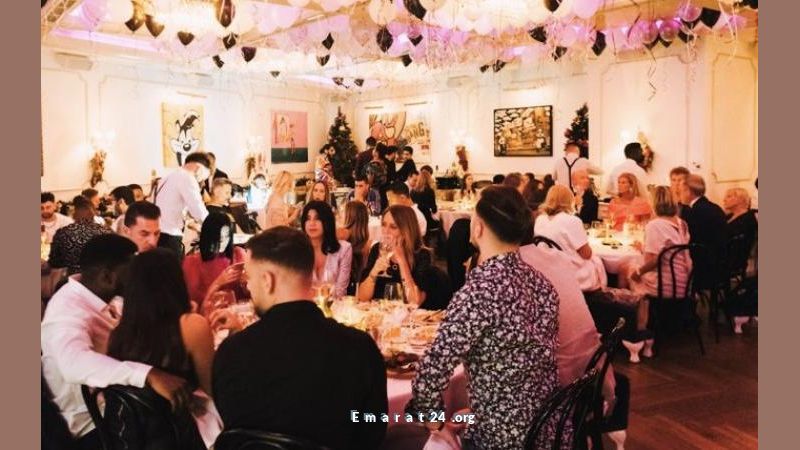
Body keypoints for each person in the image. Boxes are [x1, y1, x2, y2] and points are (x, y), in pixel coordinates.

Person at [406, 186, 561, 449]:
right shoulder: (541, 284)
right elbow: (525, 366)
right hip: (546, 428)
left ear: (477, 228)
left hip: (500, 439)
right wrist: (481, 408)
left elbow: (428, 378)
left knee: (413, 438)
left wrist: (436, 424)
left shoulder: (479, 292)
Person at [212, 227, 387, 449]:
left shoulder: (230, 353)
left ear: (267, 280)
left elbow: (230, 427)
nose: (248, 285)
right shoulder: (360, 350)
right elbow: (374, 431)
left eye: (249, 277)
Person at [42, 235, 193, 449]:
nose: (137, 277)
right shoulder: (67, 311)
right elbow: (73, 363)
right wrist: (149, 374)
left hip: (119, 405)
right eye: (131, 271)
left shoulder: (101, 296)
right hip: (92, 426)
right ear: (108, 277)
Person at [107, 249, 224, 448]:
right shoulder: (191, 325)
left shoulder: (119, 332)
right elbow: (213, 388)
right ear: (176, 281)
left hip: (131, 435)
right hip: (177, 435)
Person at [611, 186, 692, 362]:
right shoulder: (681, 223)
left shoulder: (655, 225)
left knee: (625, 270)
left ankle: (634, 328)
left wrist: (637, 273)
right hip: (683, 281)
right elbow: (666, 252)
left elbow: (652, 261)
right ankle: (639, 324)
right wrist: (644, 248)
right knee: (629, 266)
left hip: (664, 284)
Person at [358, 205, 437, 307]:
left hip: (407, 315)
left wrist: (401, 260)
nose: (386, 231)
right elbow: (361, 298)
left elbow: (415, 301)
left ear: (406, 230)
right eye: (384, 225)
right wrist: (374, 272)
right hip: (380, 313)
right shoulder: (377, 250)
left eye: (393, 227)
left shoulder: (421, 255)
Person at [535, 185, 607, 292]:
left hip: (548, 270)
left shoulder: (540, 219)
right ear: (569, 200)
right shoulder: (572, 221)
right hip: (571, 274)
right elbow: (586, 254)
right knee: (598, 261)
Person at [183, 212, 247, 312]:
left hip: (238, 312)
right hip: (209, 314)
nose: (223, 242)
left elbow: (249, 296)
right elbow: (196, 309)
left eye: (227, 237)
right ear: (208, 237)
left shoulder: (238, 254)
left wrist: (246, 283)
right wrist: (218, 282)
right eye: (219, 238)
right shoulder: (192, 263)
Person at [153, 152, 211, 259]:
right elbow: (197, 209)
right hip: (169, 235)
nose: (201, 181)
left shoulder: (169, 176)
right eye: (203, 177)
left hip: (158, 233)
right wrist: (214, 226)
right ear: (199, 168)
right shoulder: (187, 177)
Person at [679, 174, 727, 290]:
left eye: (681, 191)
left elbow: (687, 239)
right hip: (721, 260)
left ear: (688, 191)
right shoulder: (714, 207)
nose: (680, 195)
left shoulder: (694, 212)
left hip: (705, 265)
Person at [301, 202, 352, 297]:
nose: (312, 223)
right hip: (304, 305)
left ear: (327, 222)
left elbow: (340, 292)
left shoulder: (344, 249)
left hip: (334, 305)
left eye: (317, 219)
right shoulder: (298, 250)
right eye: (308, 219)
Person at [49, 196, 111, 275]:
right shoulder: (105, 231)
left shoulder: (63, 232)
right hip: (99, 276)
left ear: (74, 214)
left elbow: (54, 262)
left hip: (73, 276)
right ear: (93, 214)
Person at [336, 201, 372, 295]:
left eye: (342, 212)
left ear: (349, 217)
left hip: (340, 291)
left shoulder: (340, 235)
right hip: (358, 290)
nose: (339, 215)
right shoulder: (367, 243)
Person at [411, 168, 439, 233]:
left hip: (415, 220)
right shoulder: (430, 191)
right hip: (427, 220)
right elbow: (434, 209)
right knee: (441, 222)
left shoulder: (412, 191)